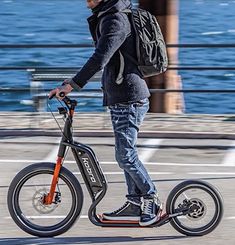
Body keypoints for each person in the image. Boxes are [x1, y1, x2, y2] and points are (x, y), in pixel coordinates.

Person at [49, 0, 162, 227]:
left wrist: (71, 84)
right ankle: (134, 203)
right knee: (124, 153)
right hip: (121, 98)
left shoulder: (115, 20)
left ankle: (151, 199)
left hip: (129, 99)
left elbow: (100, 58)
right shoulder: (108, 15)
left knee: (125, 155)